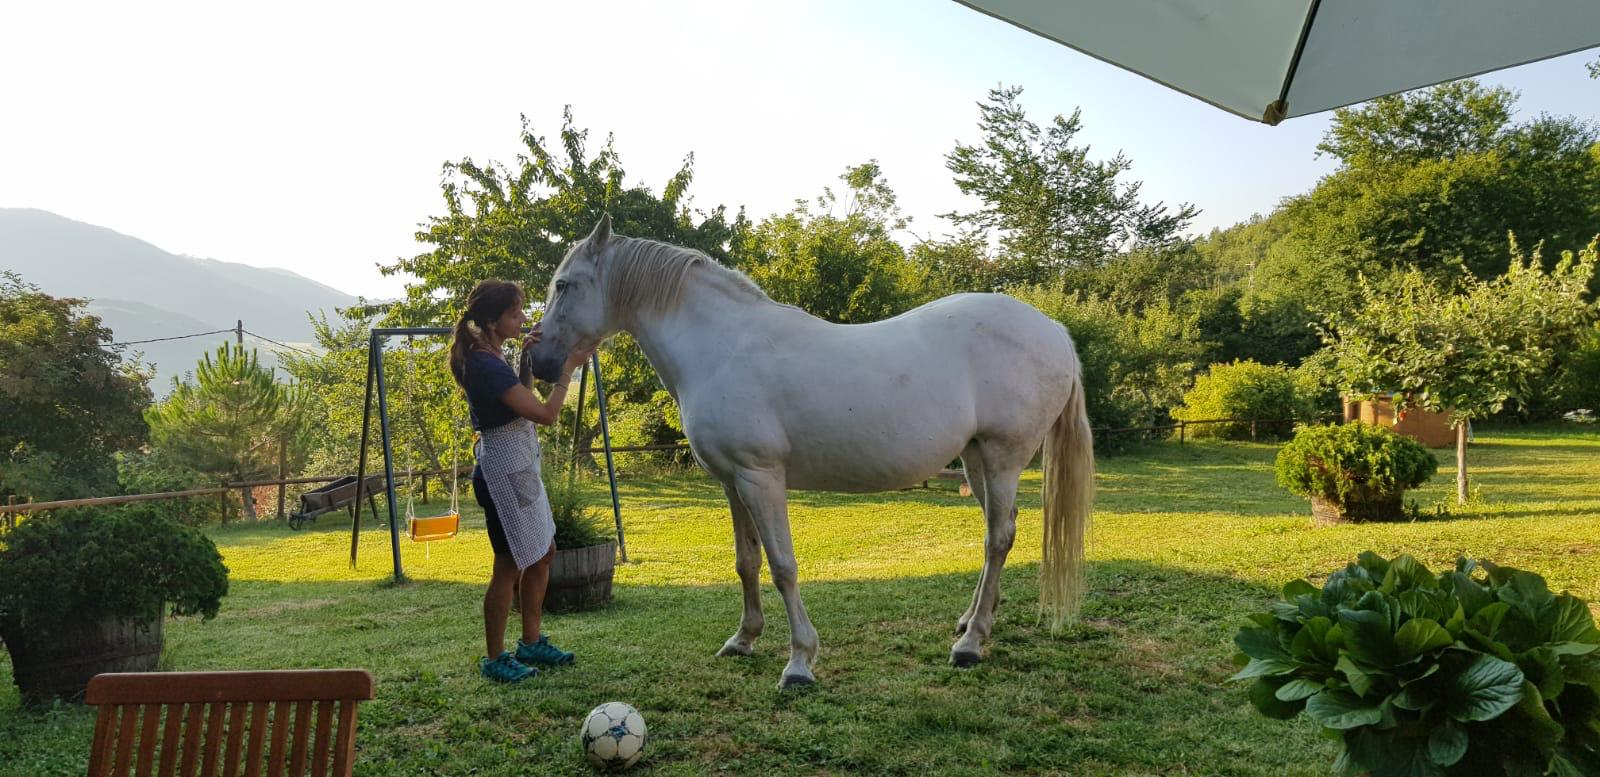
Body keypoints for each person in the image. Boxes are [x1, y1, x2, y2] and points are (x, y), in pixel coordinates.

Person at [448, 279, 595, 683]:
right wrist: (568, 370)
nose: (524, 319)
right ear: (493, 321)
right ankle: (495, 657)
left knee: (542, 552)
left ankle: (531, 642)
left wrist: (527, 363)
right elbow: (544, 414)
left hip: (519, 466)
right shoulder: (483, 364)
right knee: (508, 565)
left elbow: (519, 399)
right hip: (502, 472)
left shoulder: (491, 356)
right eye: (515, 313)